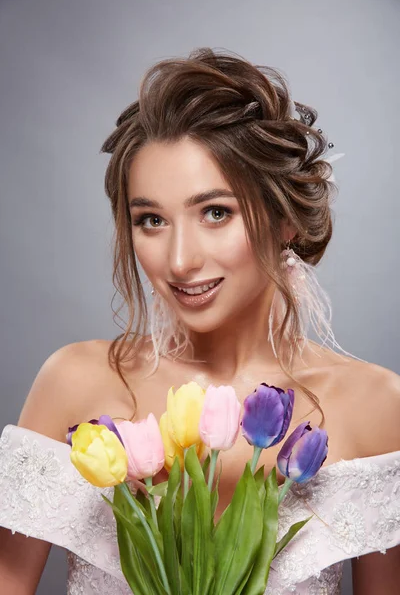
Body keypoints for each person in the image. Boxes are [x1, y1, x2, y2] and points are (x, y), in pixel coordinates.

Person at [0, 47, 399, 595]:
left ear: (284, 219)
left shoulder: (375, 406)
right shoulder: (75, 382)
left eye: (216, 212)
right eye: (151, 220)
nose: (180, 259)